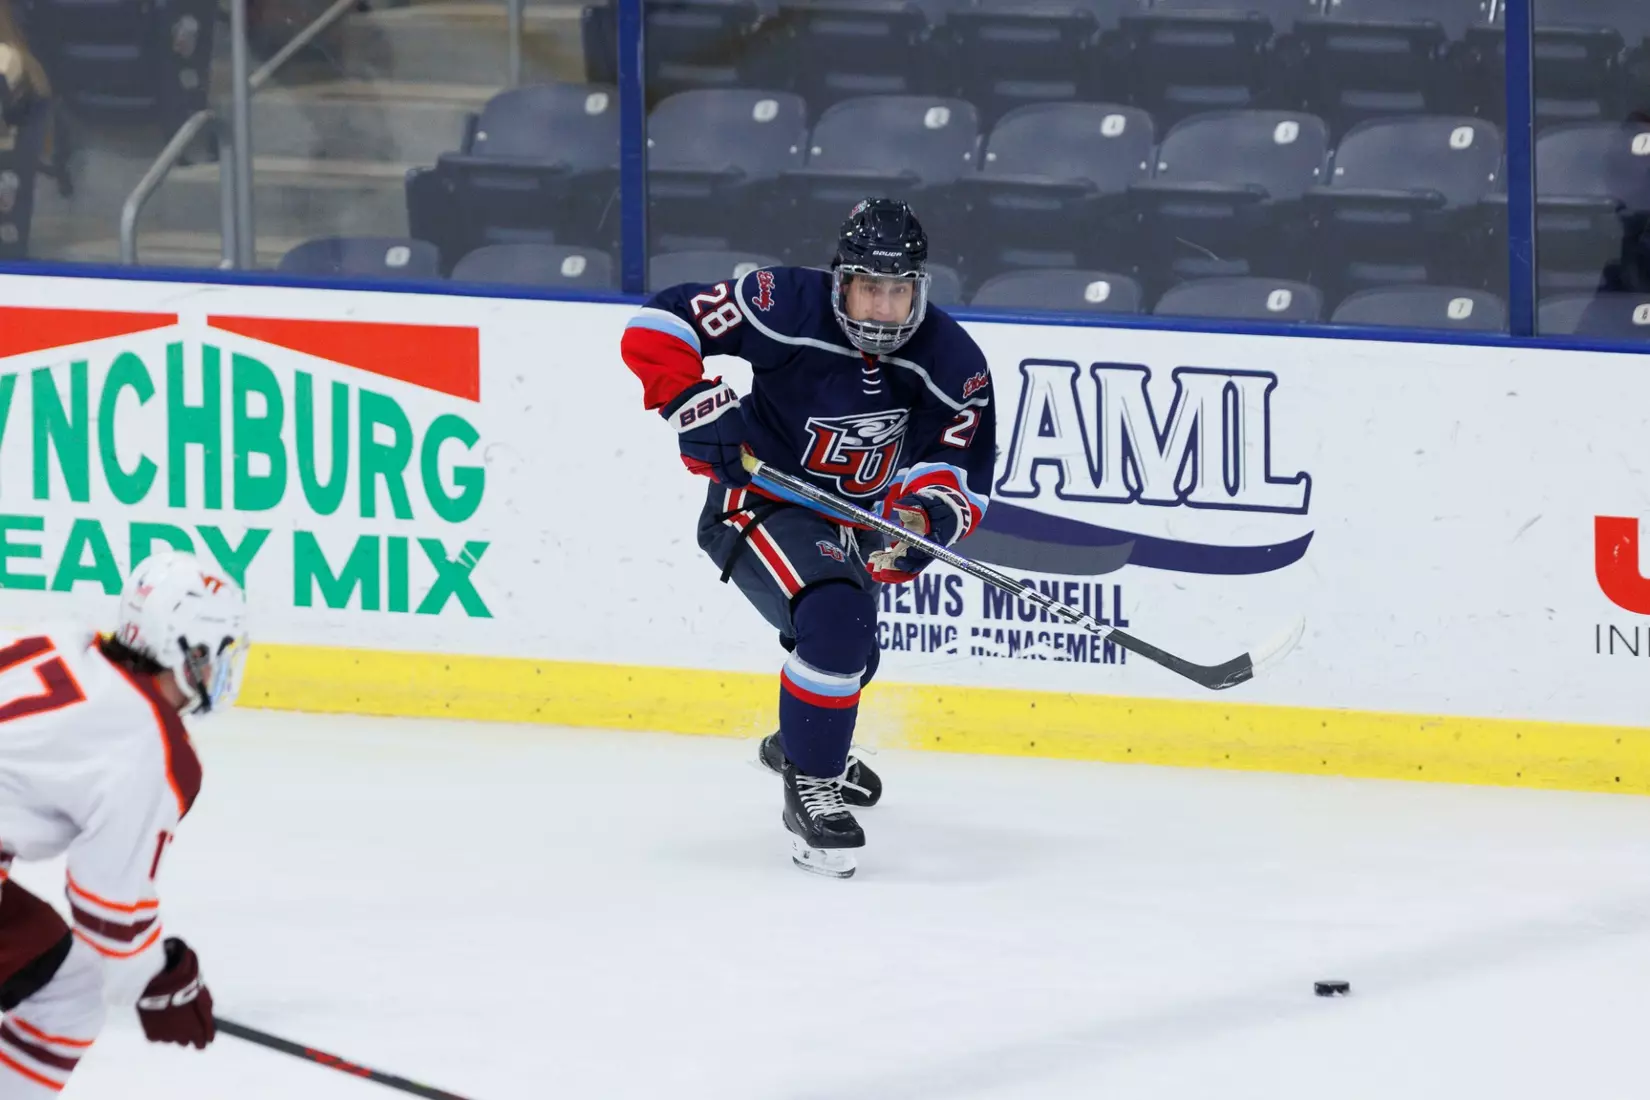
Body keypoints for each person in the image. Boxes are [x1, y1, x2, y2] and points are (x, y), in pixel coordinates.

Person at [620, 198, 996, 878]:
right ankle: (812, 789)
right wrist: (693, 402)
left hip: (853, 521)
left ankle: (800, 745)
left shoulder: (952, 359)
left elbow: (960, 474)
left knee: (853, 657)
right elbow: (658, 322)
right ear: (840, 280)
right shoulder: (783, 300)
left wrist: (918, 520)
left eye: (899, 290)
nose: (883, 308)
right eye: (870, 288)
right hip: (757, 499)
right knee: (835, 622)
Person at [0, 551, 249, 1094]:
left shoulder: (62, 642)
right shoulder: (149, 747)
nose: (221, 668)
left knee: (59, 974)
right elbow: (106, 910)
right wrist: (163, 980)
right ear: (189, 652)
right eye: (218, 652)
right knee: (70, 996)